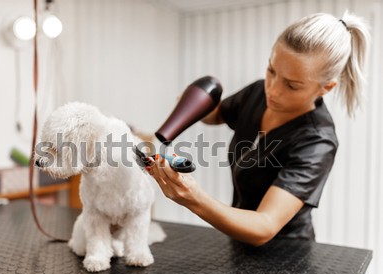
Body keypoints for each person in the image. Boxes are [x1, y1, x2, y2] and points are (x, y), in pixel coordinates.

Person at [145, 11, 371, 246]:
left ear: (326, 88)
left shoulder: (316, 142)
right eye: (271, 71)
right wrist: (192, 99)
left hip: (287, 255)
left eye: (292, 85)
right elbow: (216, 114)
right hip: (238, 241)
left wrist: (192, 197)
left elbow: (264, 225)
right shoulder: (257, 93)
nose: (272, 90)